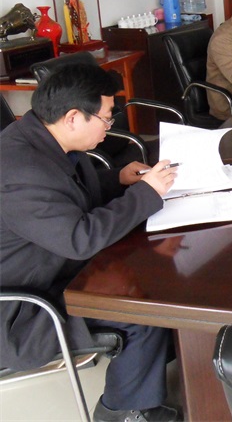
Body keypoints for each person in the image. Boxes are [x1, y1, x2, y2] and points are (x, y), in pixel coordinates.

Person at [0, 64, 180, 422]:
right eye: (106, 118)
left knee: (154, 273)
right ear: (72, 117)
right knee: (139, 305)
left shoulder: (44, 137)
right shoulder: (20, 172)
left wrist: (118, 180)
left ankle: (156, 368)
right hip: (23, 308)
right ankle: (121, 412)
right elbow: (80, 238)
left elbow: (67, 195)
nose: (109, 126)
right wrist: (146, 194)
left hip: (52, 268)